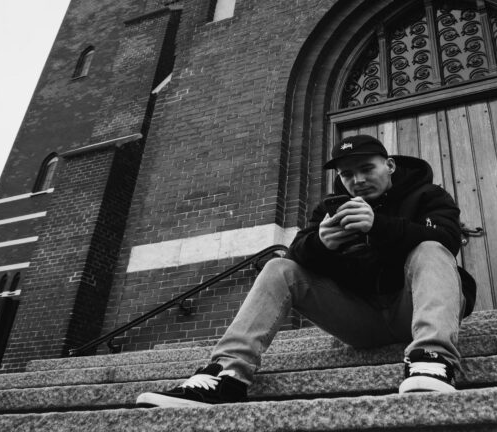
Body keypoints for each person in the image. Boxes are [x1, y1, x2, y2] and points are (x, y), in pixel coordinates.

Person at [136, 135, 476, 408]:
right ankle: (226, 375)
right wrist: (320, 243)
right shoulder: (330, 208)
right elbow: (296, 255)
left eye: (366, 168)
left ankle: (433, 359)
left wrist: (380, 226)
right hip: (361, 320)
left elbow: (447, 238)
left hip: (413, 308)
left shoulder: (428, 195)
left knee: (430, 248)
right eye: (346, 174)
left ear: (389, 165)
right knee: (279, 267)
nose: (356, 180)